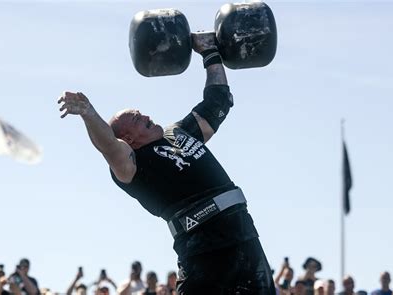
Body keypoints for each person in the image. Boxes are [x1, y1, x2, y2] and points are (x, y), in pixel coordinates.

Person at [58, 31, 275, 295]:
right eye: (137, 119)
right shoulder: (132, 165)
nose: (146, 116)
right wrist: (89, 114)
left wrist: (209, 52)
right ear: (128, 138)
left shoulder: (179, 132)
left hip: (243, 235)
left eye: (141, 112)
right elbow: (108, 146)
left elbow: (217, 101)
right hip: (202, 250)